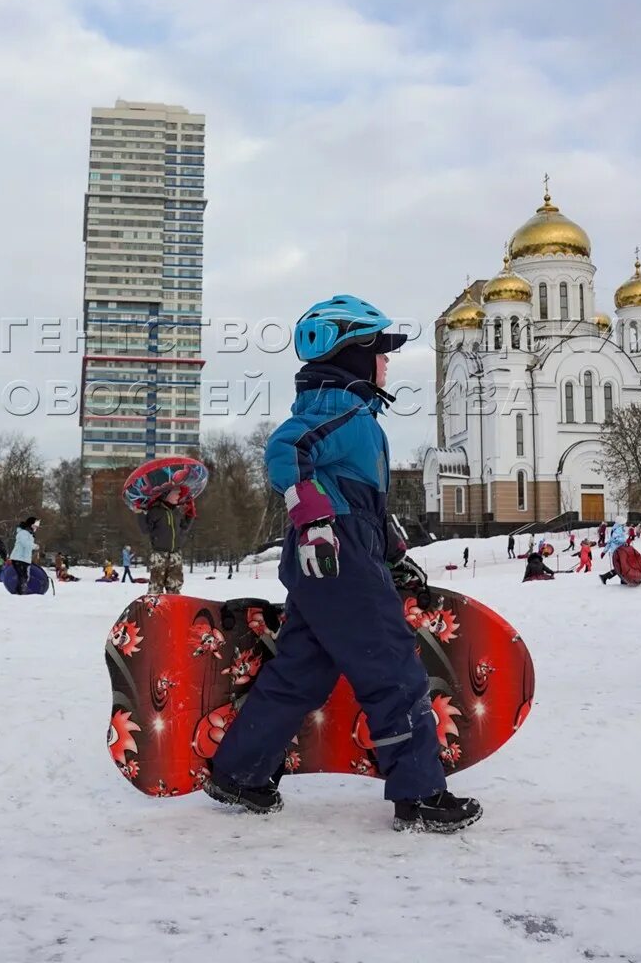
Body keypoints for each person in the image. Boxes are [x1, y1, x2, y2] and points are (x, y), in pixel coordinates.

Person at [205, 295, 481, 832]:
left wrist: (393, 552)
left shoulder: (358, 419)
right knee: (394, 669)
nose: (387, 362)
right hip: (336, 556)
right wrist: (313, 521)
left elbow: (363, 504)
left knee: (302, 673)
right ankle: (420, 793)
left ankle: (241, 771)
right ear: (353, 353)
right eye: (381, 351)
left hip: (335, 558)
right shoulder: (338, 410)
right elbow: (284, 453)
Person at [140, 487, 194, 595]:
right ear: (166, 494)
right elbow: (145, 529)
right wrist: (139, 513)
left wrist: (190, 514)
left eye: (179, 494)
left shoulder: (177, 511)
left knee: (175, 585)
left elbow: (184, 527)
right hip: (159, 554)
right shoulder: (155, 511)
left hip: (175, 554)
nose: (179, 496)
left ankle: (173, 608)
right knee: (156, 586)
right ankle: (154, 608)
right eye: (176, 493)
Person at [10, 517, 41, 594]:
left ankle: (19, 591)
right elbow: (25, 543)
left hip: (25, 559)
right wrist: (34, 546)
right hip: (18, 558)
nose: (37, 527)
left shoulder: (30, 534)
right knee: (22, 576)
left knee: (25, 576)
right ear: (31, 524)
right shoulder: (23, 533)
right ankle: (20, 592)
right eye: (35, 525)